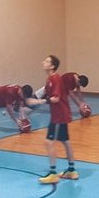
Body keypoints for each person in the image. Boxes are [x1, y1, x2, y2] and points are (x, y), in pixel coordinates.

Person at [26, 55, 78, 183]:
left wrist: (38, 102)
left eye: (47, 61)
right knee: (65, 141)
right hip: (60, 114)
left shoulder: (54, 78)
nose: (43, 62)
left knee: (49, 142)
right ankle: (71, 171)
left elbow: (56, 99)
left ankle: (53, 174)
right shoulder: (51, 79)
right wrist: (31, 106)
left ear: (52, 66)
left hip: (59, 116)